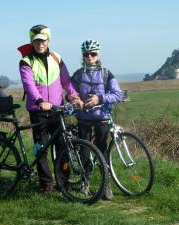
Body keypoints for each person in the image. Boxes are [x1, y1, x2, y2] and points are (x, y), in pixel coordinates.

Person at [18, 25, 82, 194]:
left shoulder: (56, 57)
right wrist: (39, 100)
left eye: (43, 40)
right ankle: (46, 183)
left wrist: (74, 95)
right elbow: (29, 84)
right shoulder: (26, 61)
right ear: (32, 41)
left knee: (63, 145)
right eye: (37, 40)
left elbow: (66, 81)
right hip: (38, 110)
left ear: (48, 41)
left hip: (56, 108)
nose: (40, 43)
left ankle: (63, 181)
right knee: (41, 147)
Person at [72, 39, 123, 200]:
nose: (89, 57)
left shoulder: (107, 74)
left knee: (102, 150)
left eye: (93, 54)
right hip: (83, 118)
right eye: (86, 54)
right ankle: (85, 183)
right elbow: (70, 93)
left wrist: (99, 99)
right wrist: (74, 99)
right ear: (82, 55)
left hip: (101, 118)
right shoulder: (78, 74)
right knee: (85, 152)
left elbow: (118, 95)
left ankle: (106, 185)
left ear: (98, 55)